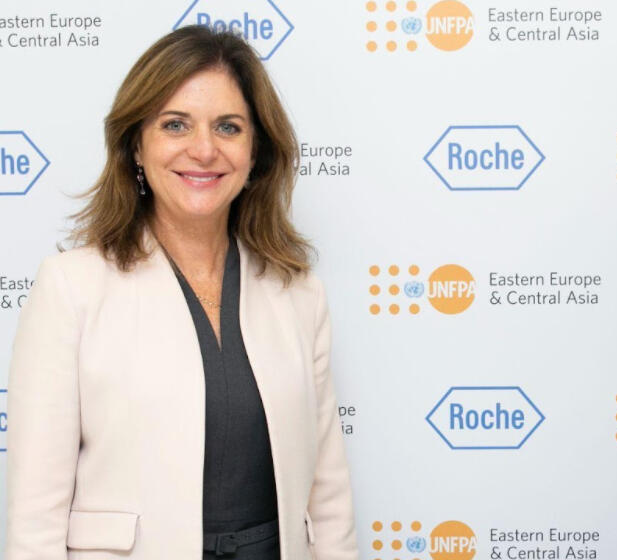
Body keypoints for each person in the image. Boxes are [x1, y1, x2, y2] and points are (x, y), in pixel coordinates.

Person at [6, 26, 358, 560]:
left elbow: (327, 494)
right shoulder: (72, 286)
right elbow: (35, 514)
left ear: (255, 151)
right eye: (175, 124)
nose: (204, 149)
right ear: (136, 147)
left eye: (228, 127)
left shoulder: (298, 291)